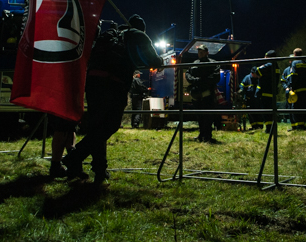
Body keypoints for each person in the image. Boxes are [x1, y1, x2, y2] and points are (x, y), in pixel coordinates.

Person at [64, 14, 164, 185]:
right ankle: (75, 156)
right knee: (110, 125)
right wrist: (158, 61)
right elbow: (153, 60)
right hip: (113, 84)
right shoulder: (138, 35)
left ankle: (100, 171)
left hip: (93, 83)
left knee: (97, 127)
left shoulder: (109, 35)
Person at [185, 44, 220, 143]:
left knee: (208, 116)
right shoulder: (195, 63)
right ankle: (201, 135)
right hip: (197, 94)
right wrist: (194, 80)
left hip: (207, 94)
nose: (200, 54)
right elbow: (188, 74)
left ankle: (208, 136)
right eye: (199, 52)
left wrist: (199, 81)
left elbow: (216, 77)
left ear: (207, 52)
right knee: (199, 116)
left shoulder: (213, 63)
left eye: (202, 52)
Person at [287, 48, 306, 131]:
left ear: (294, 54)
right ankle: (303, 125)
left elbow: (293, 76)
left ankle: (298, 127)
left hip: (298, 89)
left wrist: (292, 87)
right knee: (304, 107)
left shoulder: (294, 63)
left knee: (296, 108)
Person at [255, 50, 281, 134]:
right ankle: (272, 128)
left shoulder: (269, 64)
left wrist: (259, 73)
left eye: (265, 56)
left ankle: (269, 129)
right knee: (271, 112)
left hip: (265, 91)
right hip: (272, 92)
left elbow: (257, 71)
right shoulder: (276, 66)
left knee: (266, 112)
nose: (264, 58)